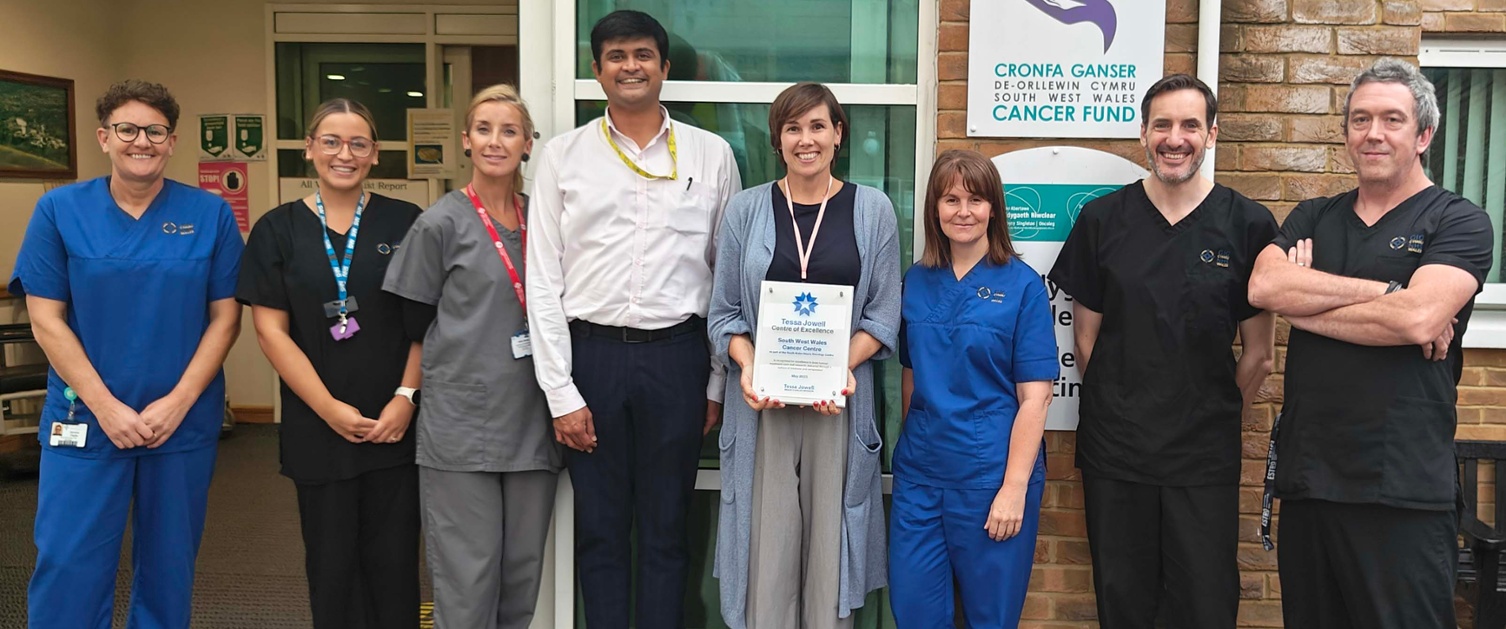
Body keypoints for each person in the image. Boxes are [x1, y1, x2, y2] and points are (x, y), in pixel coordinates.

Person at [1247, 58, 1492, 629]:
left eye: (1391, 119)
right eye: (1360, 120)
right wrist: (1387, 291)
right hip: (1311, 481)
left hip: (1401, 488)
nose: (1373, 133)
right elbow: (1264, 285)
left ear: (1424, 134)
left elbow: (1416, 320)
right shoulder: (1313, 216)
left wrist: (1305, 305)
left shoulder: (1458, 221)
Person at [526, 9, 741, 627]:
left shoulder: (712, 154)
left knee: (668, 528)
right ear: (596, 72)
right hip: (590, 357)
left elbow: (725, 279)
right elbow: (543, 279)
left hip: (678, 357)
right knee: (599, 529)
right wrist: (560, 391)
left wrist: (715, 382)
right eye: (616, 56)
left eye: (643, 54)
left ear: (665, 68)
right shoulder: (564, 158)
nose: (630, 66)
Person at [1046, 73, 1278, 628]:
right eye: (1163, 125)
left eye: (1190, 125)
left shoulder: (1248, 225)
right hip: (1117, 452)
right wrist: (1128, 409)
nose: (1176, 138)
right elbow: (1085, 340)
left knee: (1205, 602)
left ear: (1212, 134)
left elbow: (1260, 355)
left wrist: (1211, 414)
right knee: (1122, 600)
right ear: (1143, 134)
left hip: (1203, 457)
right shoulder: (1103, 220)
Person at [11, 79, 244, 629]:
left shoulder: (209, 215)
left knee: (168, 568)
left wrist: (178, 403)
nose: (142, 141)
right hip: (84, 418)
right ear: (104, 137)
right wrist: (106, 407)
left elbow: (226, 319)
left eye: (155, 131)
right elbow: (46, 321)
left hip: (178, 423)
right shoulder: (58, 210)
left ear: (172, 140)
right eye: (128, 129)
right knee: (68, 561)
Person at [708, 81, 900, 629]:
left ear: (839, 134)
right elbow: (723, 315)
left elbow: (884, 315)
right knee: (766, 550)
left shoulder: (872, 210)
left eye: (818, 126)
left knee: (829, 549)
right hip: (761, 407)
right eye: (793, 128)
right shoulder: (746, 210)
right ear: (778, 139)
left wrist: (839, 367)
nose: (806, 139)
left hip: (836, 406)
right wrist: (747, 365)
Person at [237, 98, 422, 629]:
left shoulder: (406, 222)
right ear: (310, 150)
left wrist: (405, 400)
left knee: (394, 567)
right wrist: (328, 410)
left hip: (395, 425)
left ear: (375, 154)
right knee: (331, 565)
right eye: (332, 142)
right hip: (318, 430)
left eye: (358, 143)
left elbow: (425, 325)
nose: (345, 153)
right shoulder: (278, 229)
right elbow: (270, 332)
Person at [383, 84, 563, 629]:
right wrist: (407, 394)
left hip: (534, 422)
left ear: (528, 144)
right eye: (484, 129)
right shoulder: (440, 223)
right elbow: (414, 323)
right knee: (467, 580)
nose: (495, 140)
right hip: (464, 429)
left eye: (509, 131)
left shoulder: (545, 219)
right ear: (465, 140)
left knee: (521, 577)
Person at [887, 149, 1056, 627]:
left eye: (976, 200)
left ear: (994, 209)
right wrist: (914, 446)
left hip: (990, 481)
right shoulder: (916, 281)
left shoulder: (1022, 287)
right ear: (934, 210)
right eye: (951, 199)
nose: (963, 211)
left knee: (990, 617)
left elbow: (1035, 398)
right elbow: (912, 374)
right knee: (915, 611)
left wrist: (1013, 489)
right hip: (921, 479)